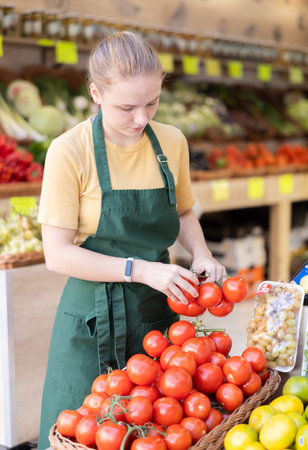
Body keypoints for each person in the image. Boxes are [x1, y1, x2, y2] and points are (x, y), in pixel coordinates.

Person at [37, 30, 226, 449]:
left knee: (158, 434)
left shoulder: (171, 141)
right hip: (89, 322)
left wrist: (202, 253)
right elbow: (57, 254)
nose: (142, 118)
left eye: (152, 102)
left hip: (155, 319)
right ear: (95, 93)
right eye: (127, 107)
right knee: (78, 435)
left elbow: (183, 212)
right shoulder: (69, 151)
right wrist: (140, 269)